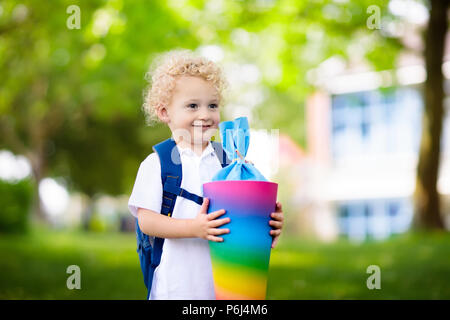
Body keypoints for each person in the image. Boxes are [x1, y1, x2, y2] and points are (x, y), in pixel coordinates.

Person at [128, 49, 284, 300]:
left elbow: (246, 218)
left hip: (225, 288)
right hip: (174, 287)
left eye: (212, 105)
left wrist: (270, 223)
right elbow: (147, 221)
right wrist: (194, 227)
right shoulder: (157, 163)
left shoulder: (232, 163)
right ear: (164, 112)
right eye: (192, 106)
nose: (205, 114)